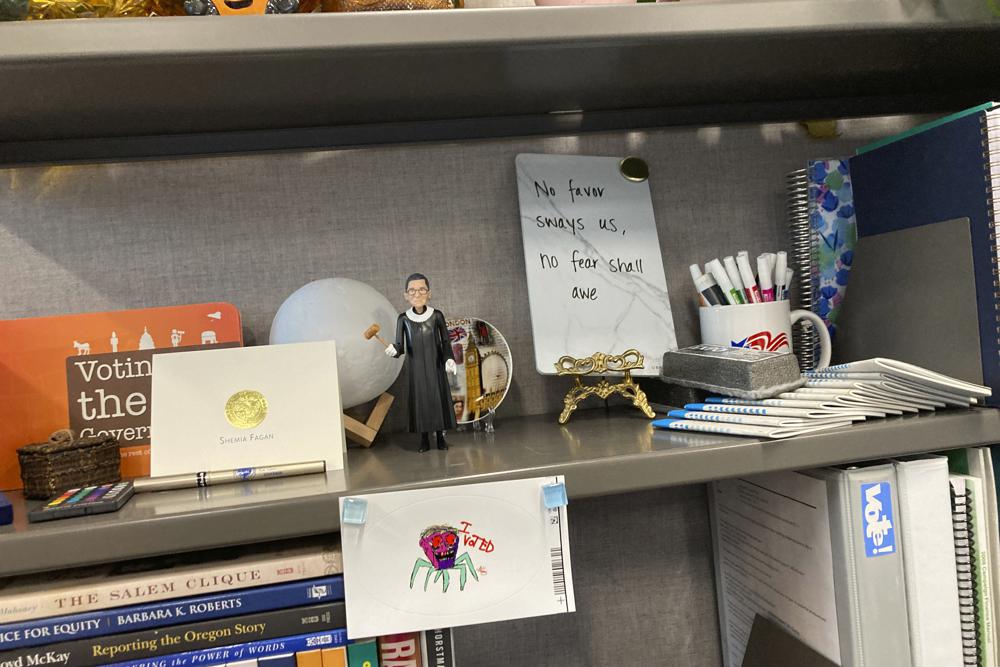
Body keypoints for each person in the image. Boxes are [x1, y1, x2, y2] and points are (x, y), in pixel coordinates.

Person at [385, 273, 457, 452]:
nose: (417, 294)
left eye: (421, 289)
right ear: (406, 295)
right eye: (412, 290)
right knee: (421, 402)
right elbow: (400, 345)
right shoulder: (403, 319)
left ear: (429, 293)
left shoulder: (437, 316)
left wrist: (448, 358)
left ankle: (440, 437)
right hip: (416, 369)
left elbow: (446, 341)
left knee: (437, 399)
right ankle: (424, 438)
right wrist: (395, 350)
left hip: (436, 365)